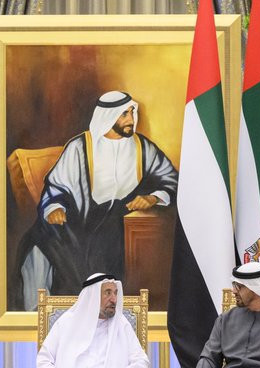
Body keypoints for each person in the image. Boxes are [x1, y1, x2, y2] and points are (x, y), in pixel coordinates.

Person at [13, 90, 179, 309]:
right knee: (39, 239)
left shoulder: (143, 148)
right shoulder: (80, 147)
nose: (131, 119)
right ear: (108, 117)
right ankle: (45, 310)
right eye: (124, 114)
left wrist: (153, 197)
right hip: (79, 217)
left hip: (119, 220)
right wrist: (54, 207)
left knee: (106, 247)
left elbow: (170, 179)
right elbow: (57, 186)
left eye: (132, 112)